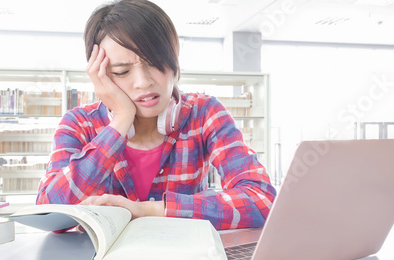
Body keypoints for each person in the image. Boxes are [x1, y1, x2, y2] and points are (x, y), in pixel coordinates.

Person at [36, 0, 276, 230]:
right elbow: (49, 213)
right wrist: (119, 121)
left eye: (155, 63)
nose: (143, 82)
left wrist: (149, 210)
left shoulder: (204, 113)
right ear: (100, 76)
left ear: (175, 64)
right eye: (122, 71)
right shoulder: (78, 123)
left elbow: (262, 200)